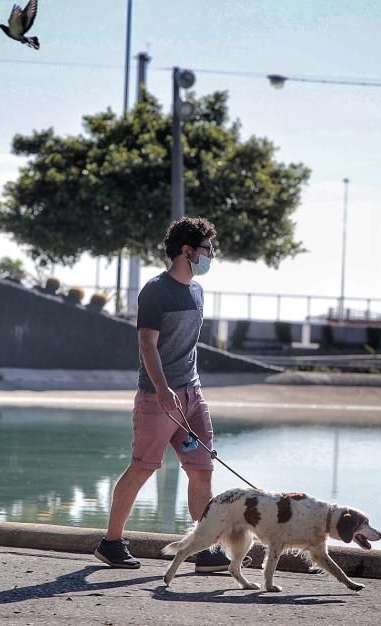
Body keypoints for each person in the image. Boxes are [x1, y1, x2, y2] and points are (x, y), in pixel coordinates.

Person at [94, 216, 230, 573]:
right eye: (206, 249)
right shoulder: (156, 290)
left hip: (192, 396)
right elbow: (147, 343)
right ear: (187, 251)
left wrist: (186, 391)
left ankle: (204, 548)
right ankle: (111, 543)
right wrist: (161, 388)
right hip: (157, 398)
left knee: (202, 470)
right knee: (142, 468)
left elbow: (188, 347)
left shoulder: (197, 292)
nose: (210, 256)